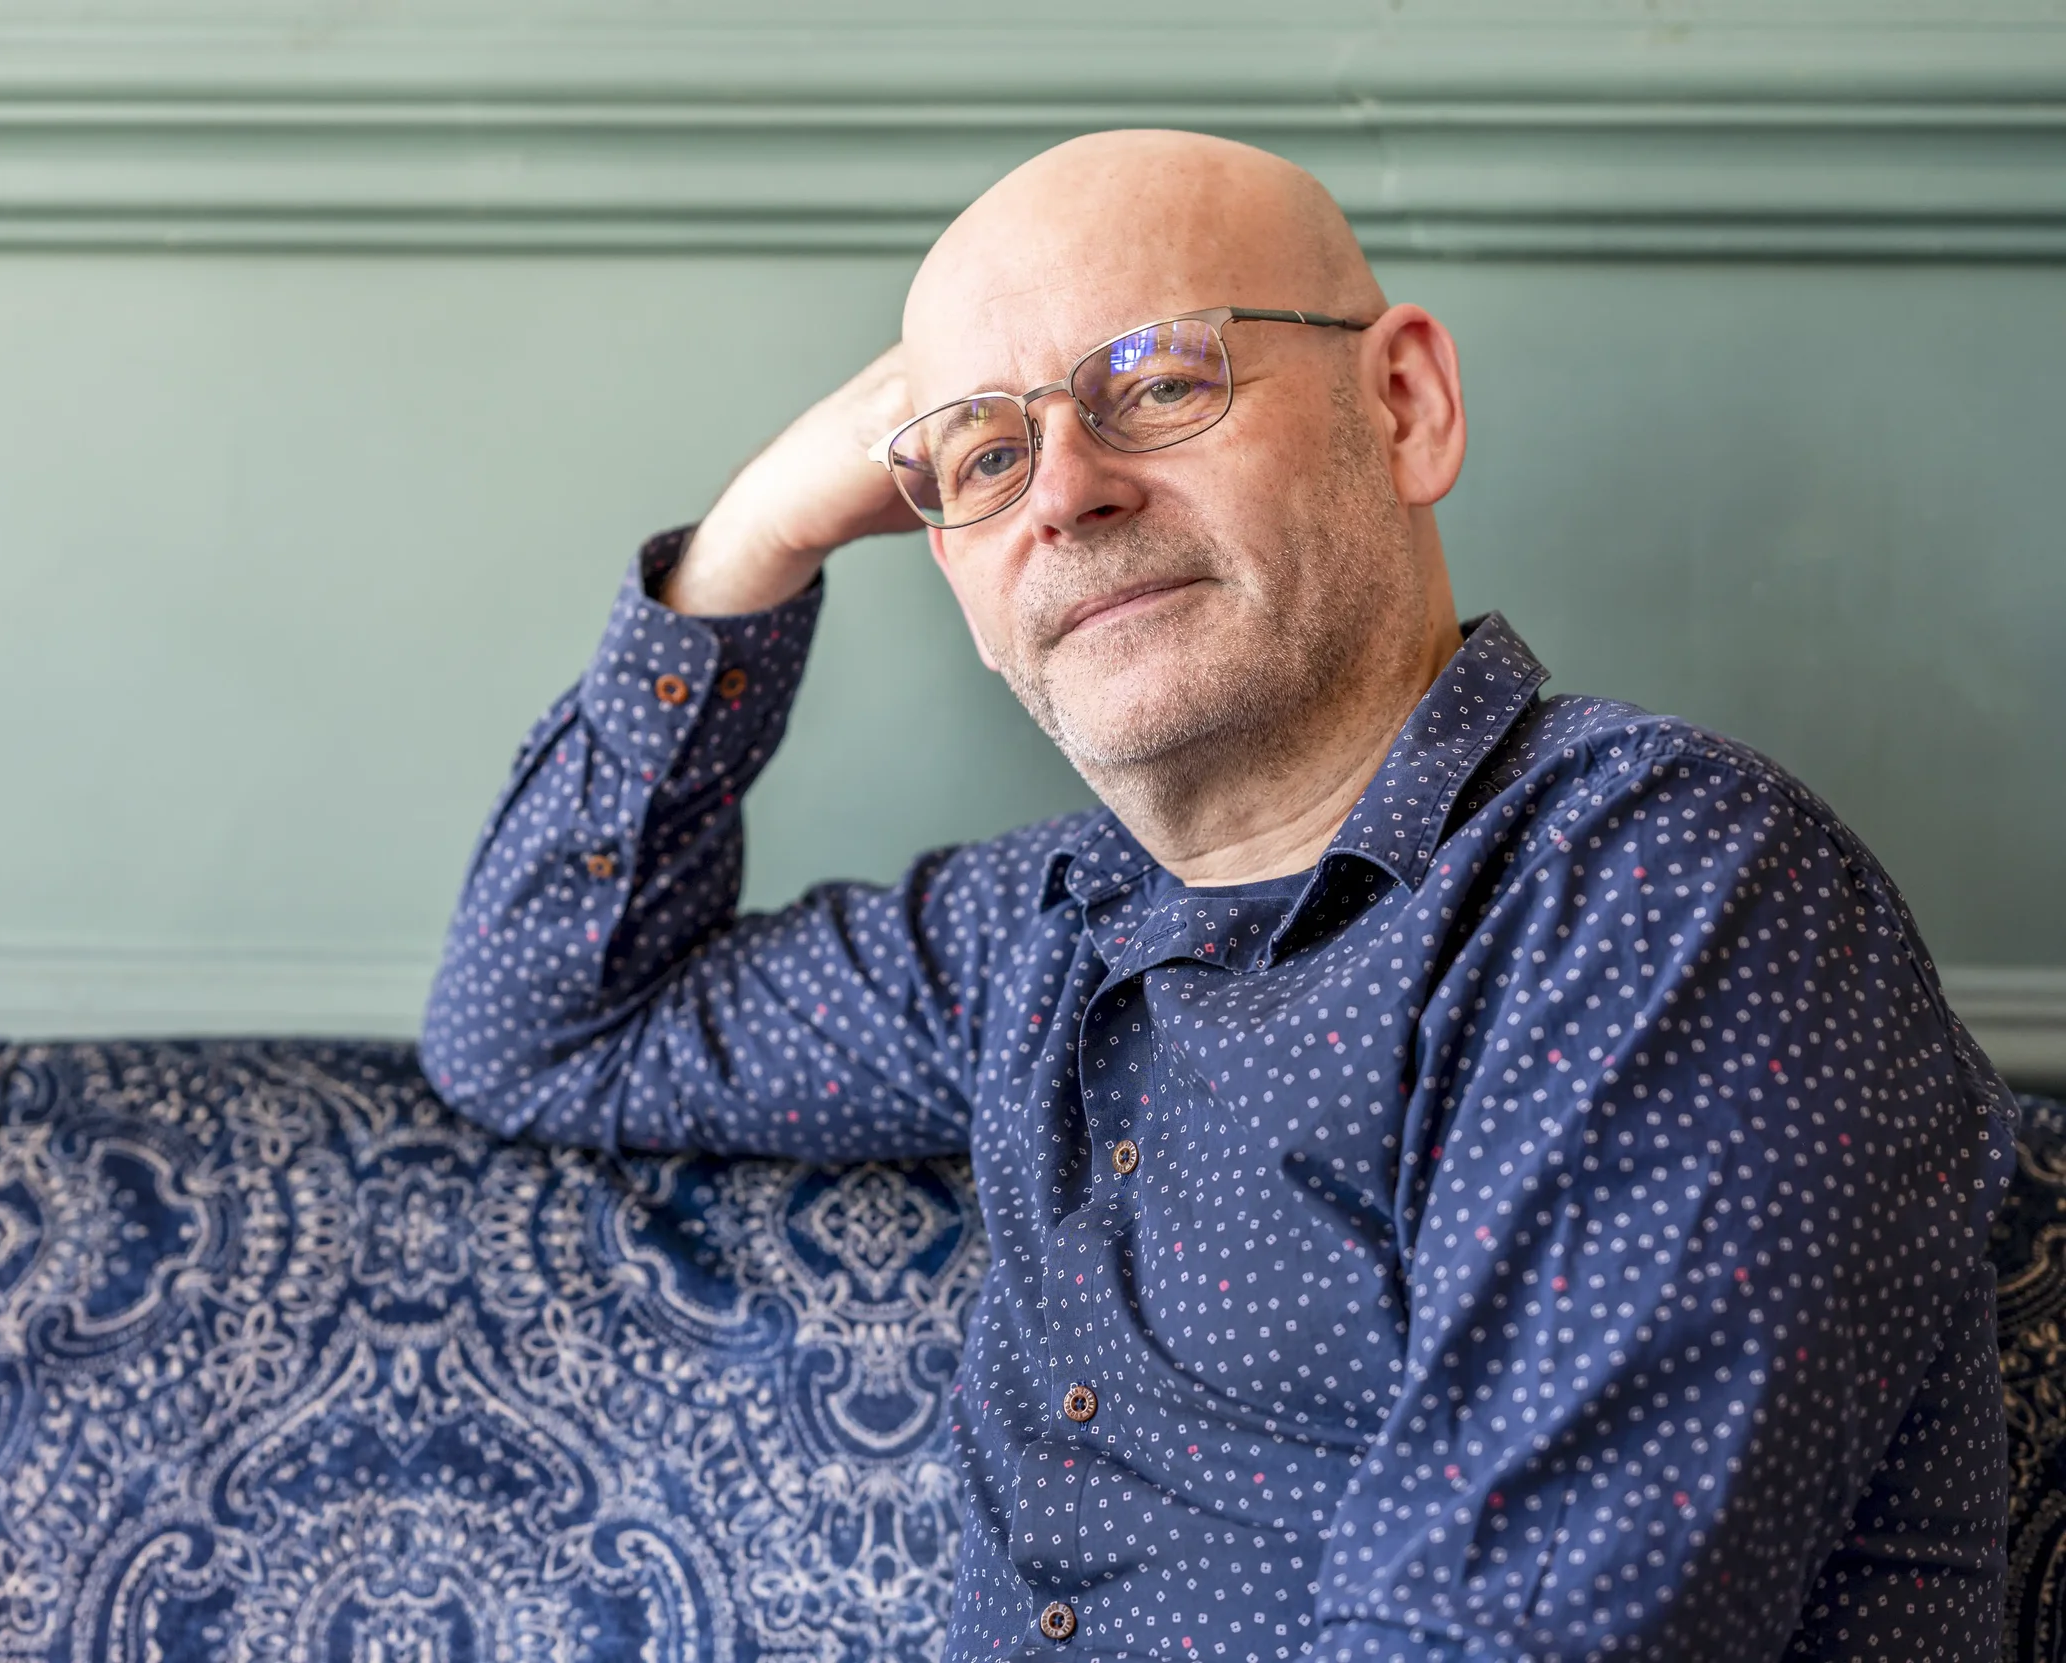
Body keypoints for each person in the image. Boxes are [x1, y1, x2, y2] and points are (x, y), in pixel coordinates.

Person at [421, 129, 2017, 1661]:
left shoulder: (1663, 897)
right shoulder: (1036, 929)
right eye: (983, 453)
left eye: (1159, 380)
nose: (1065, 492)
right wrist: (761, 531)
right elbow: (541, 1026)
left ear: (1403, 406)